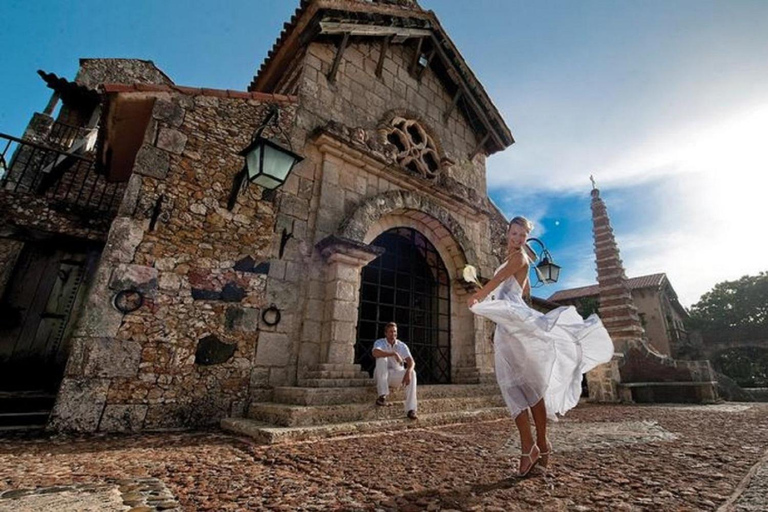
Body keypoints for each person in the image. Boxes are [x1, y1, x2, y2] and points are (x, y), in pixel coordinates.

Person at [467, 216, 614, 477]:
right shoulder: (512, 258)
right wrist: (488, 298)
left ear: (526, 238)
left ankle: (535, 446)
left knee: (525, 388)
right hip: (509, 328)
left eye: (522, 235)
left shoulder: (520, 258)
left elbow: (500, 279)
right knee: (517, 389)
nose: (518, 239)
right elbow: (510, 290)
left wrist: (480, 294)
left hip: (516, 328)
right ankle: (537, 445)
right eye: (514, 234)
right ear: (508, 233)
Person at [372, 322, 418, 420]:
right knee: (381, 358)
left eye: (395, 332)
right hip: (381, 376)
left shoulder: (402, 345)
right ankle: (382, 395)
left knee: (413, 373)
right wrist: (393, 353)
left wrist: (408, 372)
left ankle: (411, 409)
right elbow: (375, 353)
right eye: (390, 332)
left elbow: (411, 362)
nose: (393, 334)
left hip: (395, 377)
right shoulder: (380, 342)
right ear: (385, 333)